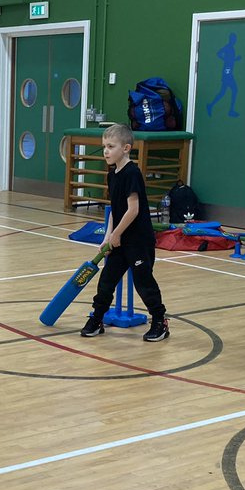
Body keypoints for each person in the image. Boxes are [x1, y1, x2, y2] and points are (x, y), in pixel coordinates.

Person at [81, 123, 169, 342]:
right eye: (104, 146)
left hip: (138, 239)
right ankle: (97, 319)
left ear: (126, 148)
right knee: (106, 281)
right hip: (120, 239)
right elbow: (115, 209)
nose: (106, 151)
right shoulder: (113, 175)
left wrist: (117, 234)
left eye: (111, 146)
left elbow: (133, 210)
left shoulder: (132, 173)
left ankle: (160, 321)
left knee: (143, 282)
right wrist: (107, 237)